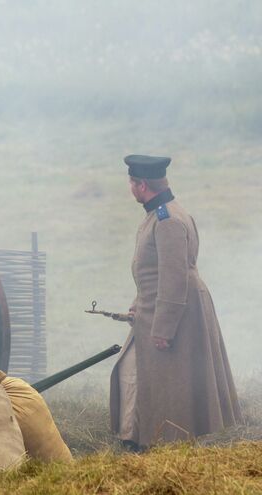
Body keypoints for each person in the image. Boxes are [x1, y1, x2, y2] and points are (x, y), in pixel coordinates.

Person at [110, 154, 241, 450]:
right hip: (160, 305)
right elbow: (153, 271)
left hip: (175, 309)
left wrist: (163, 328)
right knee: (145, 375)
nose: (130, 188)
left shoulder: (167, 220)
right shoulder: (162, 213)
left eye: (132, 183)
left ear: (142, 185)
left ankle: (156, 441)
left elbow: (173, 277)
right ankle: (143, 437)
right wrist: (138, 302)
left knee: (168, 381)